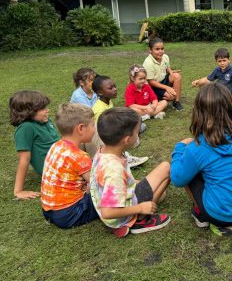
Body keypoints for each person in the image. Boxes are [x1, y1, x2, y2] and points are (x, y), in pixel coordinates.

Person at [170, 82, 232, 236]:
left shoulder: (198, 146)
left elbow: (177, 179)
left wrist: (179, 148)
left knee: (188, 171)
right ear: (231, 106)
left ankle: (201, 215)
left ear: (199, 112)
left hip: (220, 215)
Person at [90, 107, 171, 238]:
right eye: (136, 133)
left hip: (115, 208)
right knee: (166, 167)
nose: (138, 136)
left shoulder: (102, 152)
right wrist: (140, 208)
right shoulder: (114, 169)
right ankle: (140, 220)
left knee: (162, 194)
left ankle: (136, 215)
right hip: (118, 217)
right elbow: (107, 212)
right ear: (127, 140)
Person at [41, 104, 99, 228]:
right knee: (109, 197)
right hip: (69, 213)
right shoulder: (79, 156)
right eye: (93, 125)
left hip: (49, 211)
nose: (95, 129)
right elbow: (98, 184)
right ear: (81, 128)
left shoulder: (56, 146)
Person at [9, 90, 60, 200]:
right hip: (55, 169)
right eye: (42, 108)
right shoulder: (26, 128)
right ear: (28, 112)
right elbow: (24, 160)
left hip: (63, 157)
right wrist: (18, 191)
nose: (47, 110)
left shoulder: (44, 121)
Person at [90, 75, 148, 167]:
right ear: (100, 92)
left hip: (111, 132)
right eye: (111, 88)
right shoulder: (99, 109)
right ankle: (124, 158)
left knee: (139, 124)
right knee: (136, 127)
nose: (115, 89)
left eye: (115, 86)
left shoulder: (107, 101)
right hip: (105, 139)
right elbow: (101, 131)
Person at [143, 37, 183, 111]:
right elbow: (151, 82)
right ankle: (155, 99)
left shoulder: (165, 57)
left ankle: (176, 102)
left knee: (177, 76)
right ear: (150, 50)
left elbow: (167, 67)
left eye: (162, 49)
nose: (160, 51)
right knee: (171, 96)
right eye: (157, 49)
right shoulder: (148, 63)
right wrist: (167, 88)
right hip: (154, 86)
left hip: (163, 80)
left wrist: (170, 71)